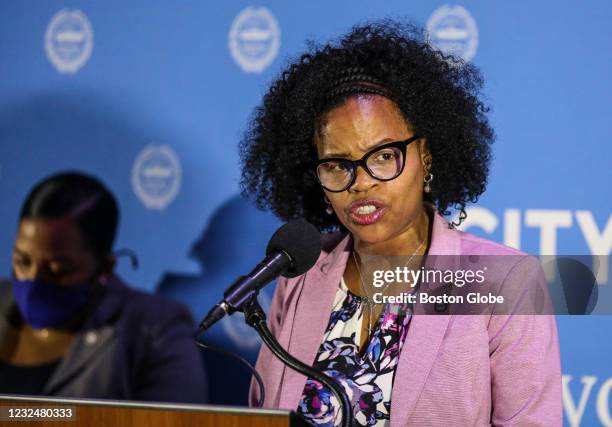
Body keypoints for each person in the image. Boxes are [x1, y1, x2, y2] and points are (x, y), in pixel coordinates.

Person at [241, 21, 562, 426]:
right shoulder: (300, 273)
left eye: (382, 156)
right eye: (338, 165)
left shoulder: (506, 282)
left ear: (425, 154)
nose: (360, 183)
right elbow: (262, 412)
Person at [0, 171, 208, 403]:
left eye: (58, 270)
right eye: (22, 261)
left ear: (104, 267)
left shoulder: (155, 330)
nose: (33, 280)